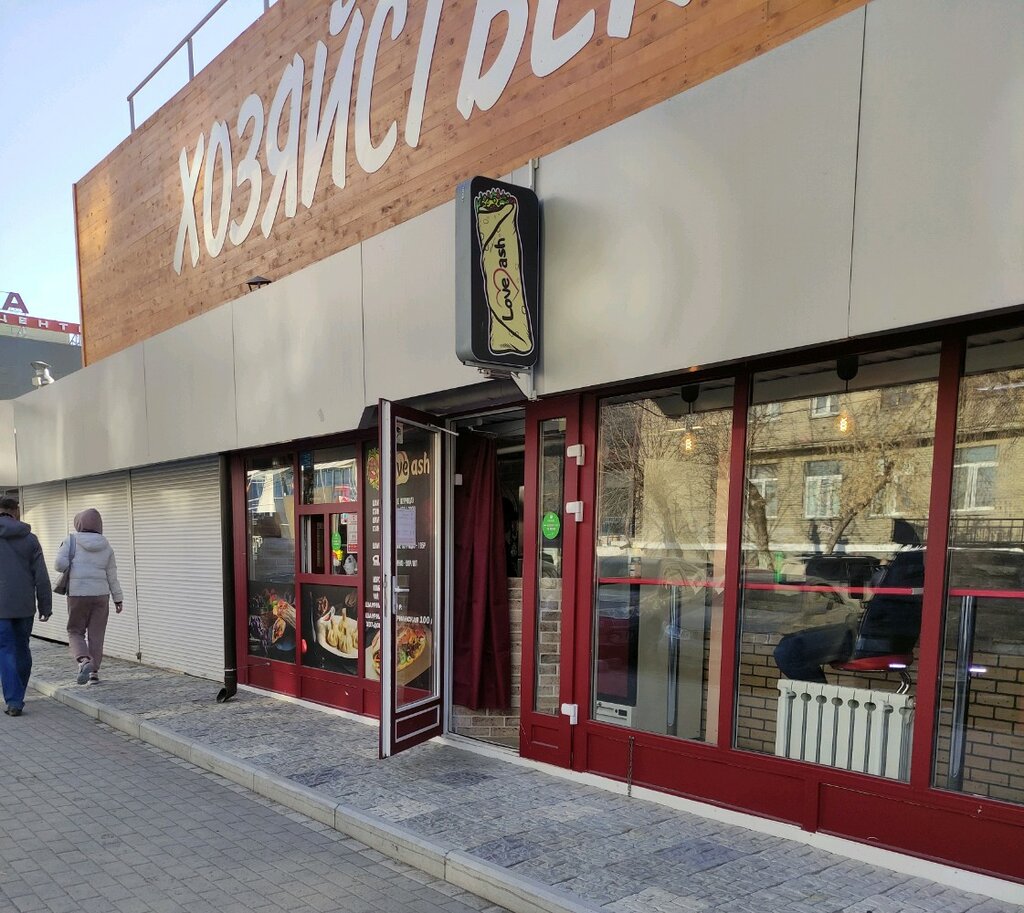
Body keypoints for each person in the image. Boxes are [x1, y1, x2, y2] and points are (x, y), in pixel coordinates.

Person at [774, 519, 924, 684]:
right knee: (792, 645)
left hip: (872, 640)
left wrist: (808, 569)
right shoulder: (909, 568)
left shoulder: (901, 569)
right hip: (880, 636)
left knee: (788, 651)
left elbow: (855, 568)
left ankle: (821, 697)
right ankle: (820, 696)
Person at [54, 508, 123, 685]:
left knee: (75, 631)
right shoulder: (106, 545)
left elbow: (59, 565)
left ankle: (83, 660)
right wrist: (118, 598)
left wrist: (73, 565)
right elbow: (112, 575)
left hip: (78, 594)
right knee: (97, 634)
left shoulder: (70, 540)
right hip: (101, 595)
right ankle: (94, 673)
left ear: (79, 523)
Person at [0, 496, 52, 716]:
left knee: (5, 650)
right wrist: (45, 605)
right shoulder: (30, 539)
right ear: (15, 511)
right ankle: (18, 694)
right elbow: (41, 576)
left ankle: (14, 700)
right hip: (24, 605)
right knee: (22, 648)